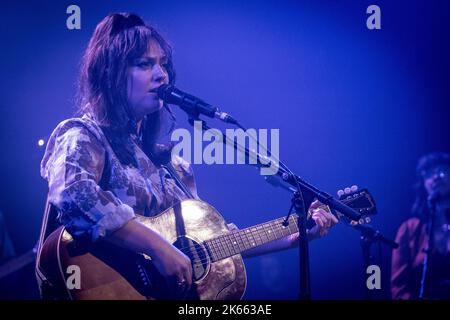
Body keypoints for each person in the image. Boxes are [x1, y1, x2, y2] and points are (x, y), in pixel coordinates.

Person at [37, 12, 338, 299]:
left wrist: (294, 238)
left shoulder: (173, 166)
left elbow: (206, 246)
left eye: (163, 64)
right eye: (144, 64)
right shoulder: (83, 135)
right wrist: (157, 248)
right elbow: (74, 195)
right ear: (111, 74)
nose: (161, 75)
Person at [391, 152, 450, 299]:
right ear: (423, 184)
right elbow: (398, 287)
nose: (436, 177)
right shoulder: (409, 229)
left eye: (442, 171)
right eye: (429, 174)